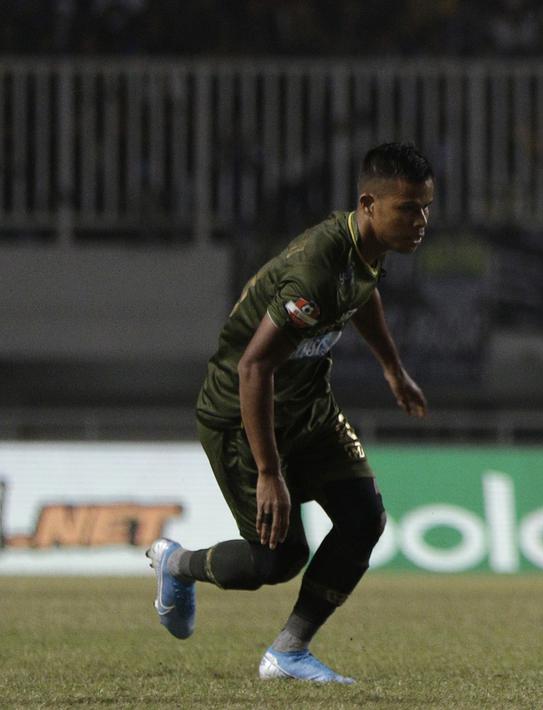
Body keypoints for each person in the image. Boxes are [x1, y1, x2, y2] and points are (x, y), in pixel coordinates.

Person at [145, 142, 435, 684]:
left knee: (364, 519)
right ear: (369, 203)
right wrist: (270, 473)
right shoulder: (314, 273)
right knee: (275, 562)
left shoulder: (366, 249)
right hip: (239, 412)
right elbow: (253, 368)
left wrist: (392, 368)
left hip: (306, 404)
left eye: (426, 207)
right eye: (409, 208)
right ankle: (176, 564)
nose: (421, 221)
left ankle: (288, 654)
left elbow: (362, 294)